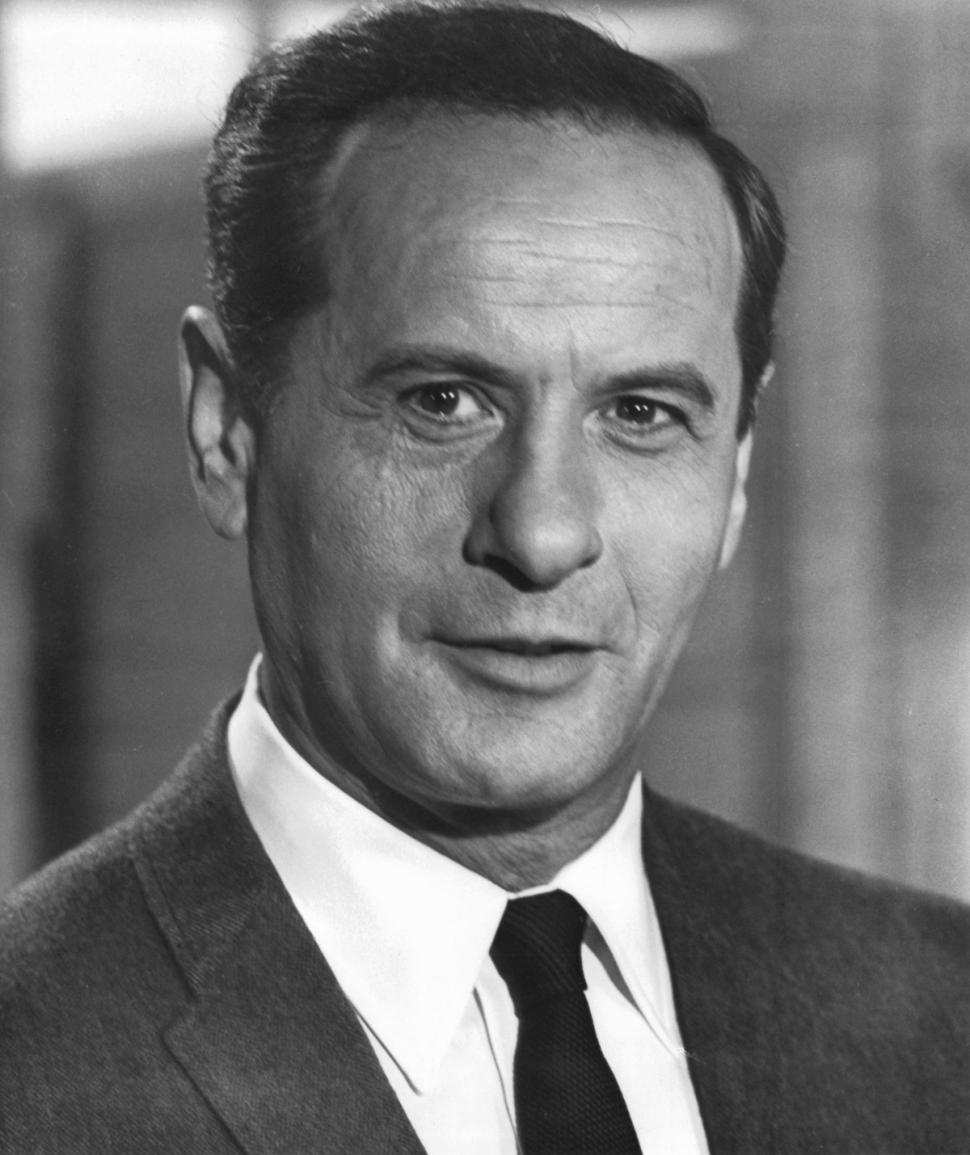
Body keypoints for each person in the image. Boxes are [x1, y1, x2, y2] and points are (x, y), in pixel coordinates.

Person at [2, 3, 970, 1152]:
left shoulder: (942, 1018)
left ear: (738, 474)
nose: (543, 535)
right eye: (442, 402)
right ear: (226, 431)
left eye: (640, 414)